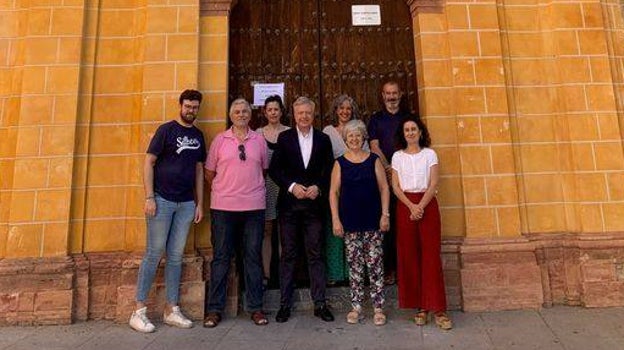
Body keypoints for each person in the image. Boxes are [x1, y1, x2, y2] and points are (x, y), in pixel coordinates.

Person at [129, 89, 206, 333]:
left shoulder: (198, 135)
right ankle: (138, 310)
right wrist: (150, 196)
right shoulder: (166, 130)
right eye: (187, 106)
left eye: (195, 107)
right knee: (153, 254)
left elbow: (199, 171)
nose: (191, 110)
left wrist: (199, 203)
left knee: (175, 257)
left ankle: (171, 308)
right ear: (180, 106)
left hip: (185, 204)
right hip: (161, 201)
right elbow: (149, 162)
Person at [203, 98, 269, 328]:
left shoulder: (259, 140)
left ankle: (256, 308)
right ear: (231, 116)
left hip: (253, 208)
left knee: (252, 257)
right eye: (237, 111)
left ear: (250, 116)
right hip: (223, 208)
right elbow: (209, 172)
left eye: (245, 111)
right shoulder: (220, 141)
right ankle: (214, 309)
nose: (241, 114)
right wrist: (226, 189)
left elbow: (263, 169)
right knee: (221, 258)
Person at [269, 96, 335, 323]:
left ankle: (320, 303)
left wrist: (319, 186)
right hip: (289, 207)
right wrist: (292, 186)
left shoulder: (324, 139)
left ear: (313, 114)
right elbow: (275, 169)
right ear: (294, 115)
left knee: (316, 254)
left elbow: (330, 169)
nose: (304, 117)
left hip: (314, 207)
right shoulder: (284, 138)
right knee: (288, 255)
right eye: (300, 113)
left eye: (308, 113)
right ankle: (285, 304)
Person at [391, 116, 452, 330]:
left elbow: (434, 182)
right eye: (406, 129)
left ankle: (438, 308)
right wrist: (411, 206)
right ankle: (420, 307)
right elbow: (396, 186)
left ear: (420, 132)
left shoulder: (430, 154)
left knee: (430, 256)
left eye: (413, 129)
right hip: (406, 206)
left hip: (427, 205)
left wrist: (421, 206)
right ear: (403, 134)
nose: (410, 132)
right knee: (410, 256)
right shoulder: (397, 156)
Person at [328, 119, 390, 326]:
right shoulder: (340, 162)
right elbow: (333, 193)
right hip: (350, 223)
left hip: (372, 221)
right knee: (354, 267)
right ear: (345, 139)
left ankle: (378, 307)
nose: (354, 139)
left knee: (375, 266)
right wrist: (336, 219)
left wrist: (385, 214)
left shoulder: (373, 160)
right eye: (350, 136)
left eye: (357, 135)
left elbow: (384, 188)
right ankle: (356, 307)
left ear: (364, 138)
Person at [322, 95, 369, 286]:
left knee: (355, 229)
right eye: (341, 108)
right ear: (335, 110)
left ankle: (353, 273)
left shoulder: (359, 128)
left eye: (348, 108)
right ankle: (335, 274)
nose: (344, 112)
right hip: (334, 181)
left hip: (356, 183)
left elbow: (366, 154)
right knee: (334, 228)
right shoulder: (328, 131)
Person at [367, 80, 409, 285]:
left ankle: (405, 268)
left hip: (406, 177)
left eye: (394, 93)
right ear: (382, 96)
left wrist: (399, 169)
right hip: (384, 177)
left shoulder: (409, 118)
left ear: (400, 94)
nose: (391, 97)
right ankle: (388, 269)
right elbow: (374, 146)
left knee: (405, 223)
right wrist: (388, 168)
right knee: (386, 224)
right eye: (387, 93)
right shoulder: (376, 119)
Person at [255, 95, 290, 287]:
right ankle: (267, 274)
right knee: (267, 230)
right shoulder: (258, 134)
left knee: (285, 231)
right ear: (265, 112)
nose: (273, 113)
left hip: (285, 185)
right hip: (266, 185)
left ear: (281, 111)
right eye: (269, 110)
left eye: (276, 109)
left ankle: (285, 274)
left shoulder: (289, 132)